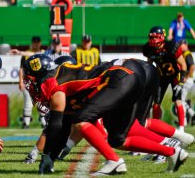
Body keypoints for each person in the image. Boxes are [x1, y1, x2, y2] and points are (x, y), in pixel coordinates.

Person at [23, 54, 190, 175]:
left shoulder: (50, 82)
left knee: (81, 119)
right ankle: (172, 152)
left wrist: (46, 156)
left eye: (29, 80)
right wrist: (51, 158)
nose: (28, 85)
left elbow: (56, 124)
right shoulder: (62, 81)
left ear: (38, 75)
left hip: (121, 76)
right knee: (118, 139)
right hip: (129, 76)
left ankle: (114, 161)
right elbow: (64, 127)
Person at [143, 26, 187, 131]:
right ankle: (156, 128)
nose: (154, 40)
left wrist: (180, 84)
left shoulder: (171, 46)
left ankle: (181, 128)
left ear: (162, 37)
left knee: (177, 101)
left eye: (156, 37)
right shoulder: (149, 49)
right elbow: (149, 65)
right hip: (161, 77)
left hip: (175, 76)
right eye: (152, 38)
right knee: (156, 103)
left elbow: (183, 65)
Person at [180, 39, 195, 125]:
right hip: (188, 80)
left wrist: (186, 77)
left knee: (181, 101)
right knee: (182, 100)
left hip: (187, 80)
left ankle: (183, 122)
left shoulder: (187, 54)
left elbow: (192, 66)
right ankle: (192, 114)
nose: (180, 46)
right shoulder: (185, 54)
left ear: (185, 45)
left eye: (181, 44)